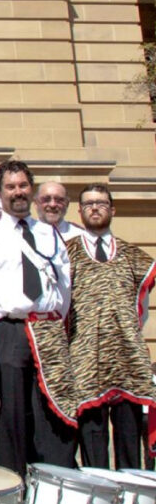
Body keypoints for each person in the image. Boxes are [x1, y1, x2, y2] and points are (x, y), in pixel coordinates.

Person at [0, 160, 73, 475]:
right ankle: (11, 480)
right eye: (11, 187)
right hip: (9, 331)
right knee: (12, 413)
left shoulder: (48, 233)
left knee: (52, 411)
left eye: (23, 186)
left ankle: (55, 480)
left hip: (48, 330)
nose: (18, 192)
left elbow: (65, 285)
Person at [68, 184, 156, 468]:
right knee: (93, 441)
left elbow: (141, 307)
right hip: (85, 360)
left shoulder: (134, 256)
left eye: (101, 203)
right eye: (89, 204)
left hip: (126, 359)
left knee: (129, 439)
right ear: (80, 211)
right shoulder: (65, 254)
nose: (95, 208)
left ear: (112, 209)